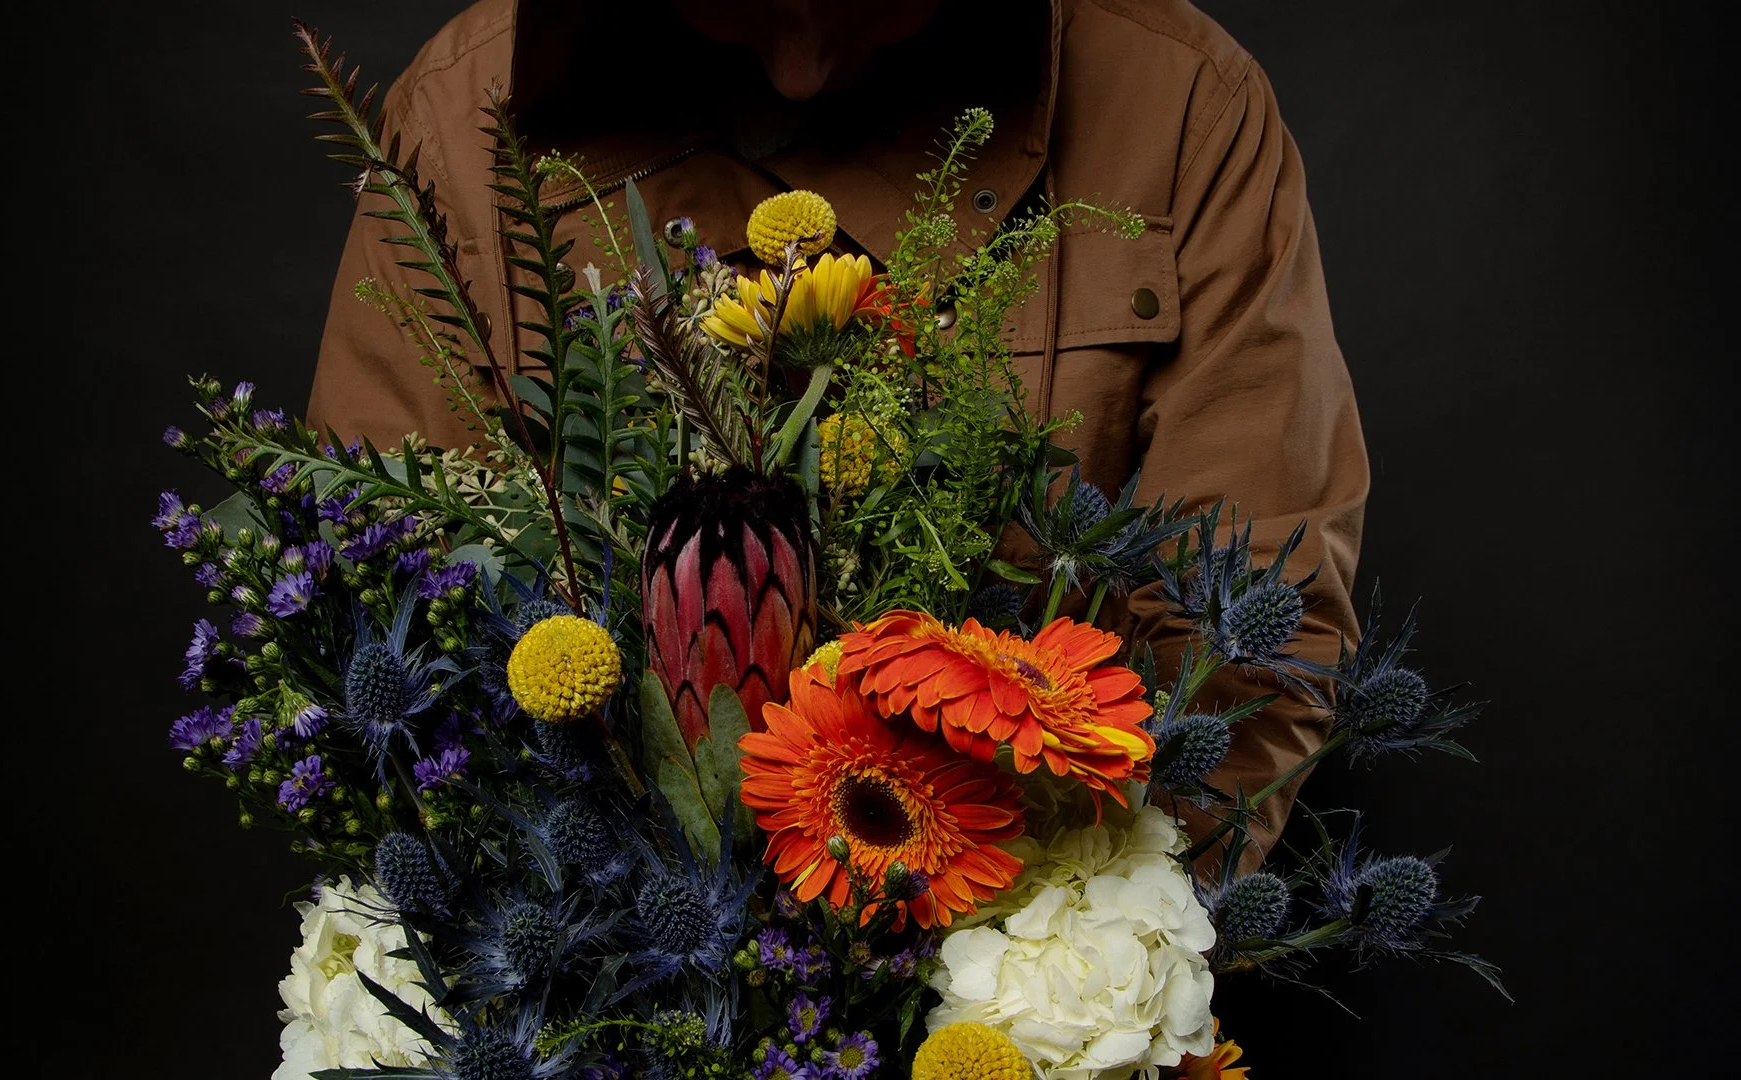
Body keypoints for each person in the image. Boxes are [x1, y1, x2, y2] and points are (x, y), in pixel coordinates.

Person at [306, 0, 1369, 867]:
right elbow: (378, 598)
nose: (802, 70)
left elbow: (1253, 637)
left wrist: (1064, 972)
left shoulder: (1180, 107)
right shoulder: (461, 117)